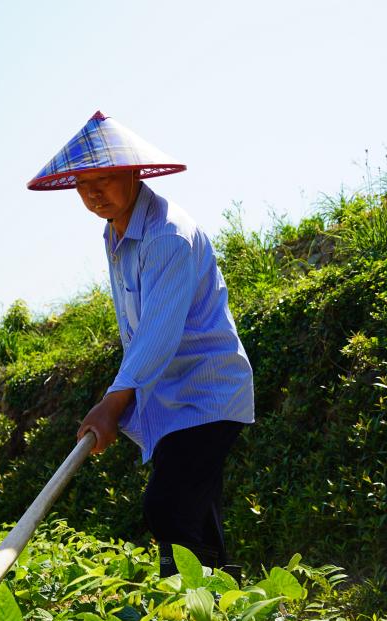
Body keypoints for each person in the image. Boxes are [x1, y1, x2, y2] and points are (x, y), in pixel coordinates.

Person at [28, 111, 254, 578]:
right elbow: (136, 330)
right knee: (195, 512)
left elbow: (156, 333)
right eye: (83, 184)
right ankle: (226, 602)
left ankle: (188, 605)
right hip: (170, 397)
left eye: (105, 180)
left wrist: (112, 404)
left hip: (206, 392)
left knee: (168, 506)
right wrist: (127, 397)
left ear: (133, 174)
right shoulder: (115, 230)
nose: (94, 193)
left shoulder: (167, 236)